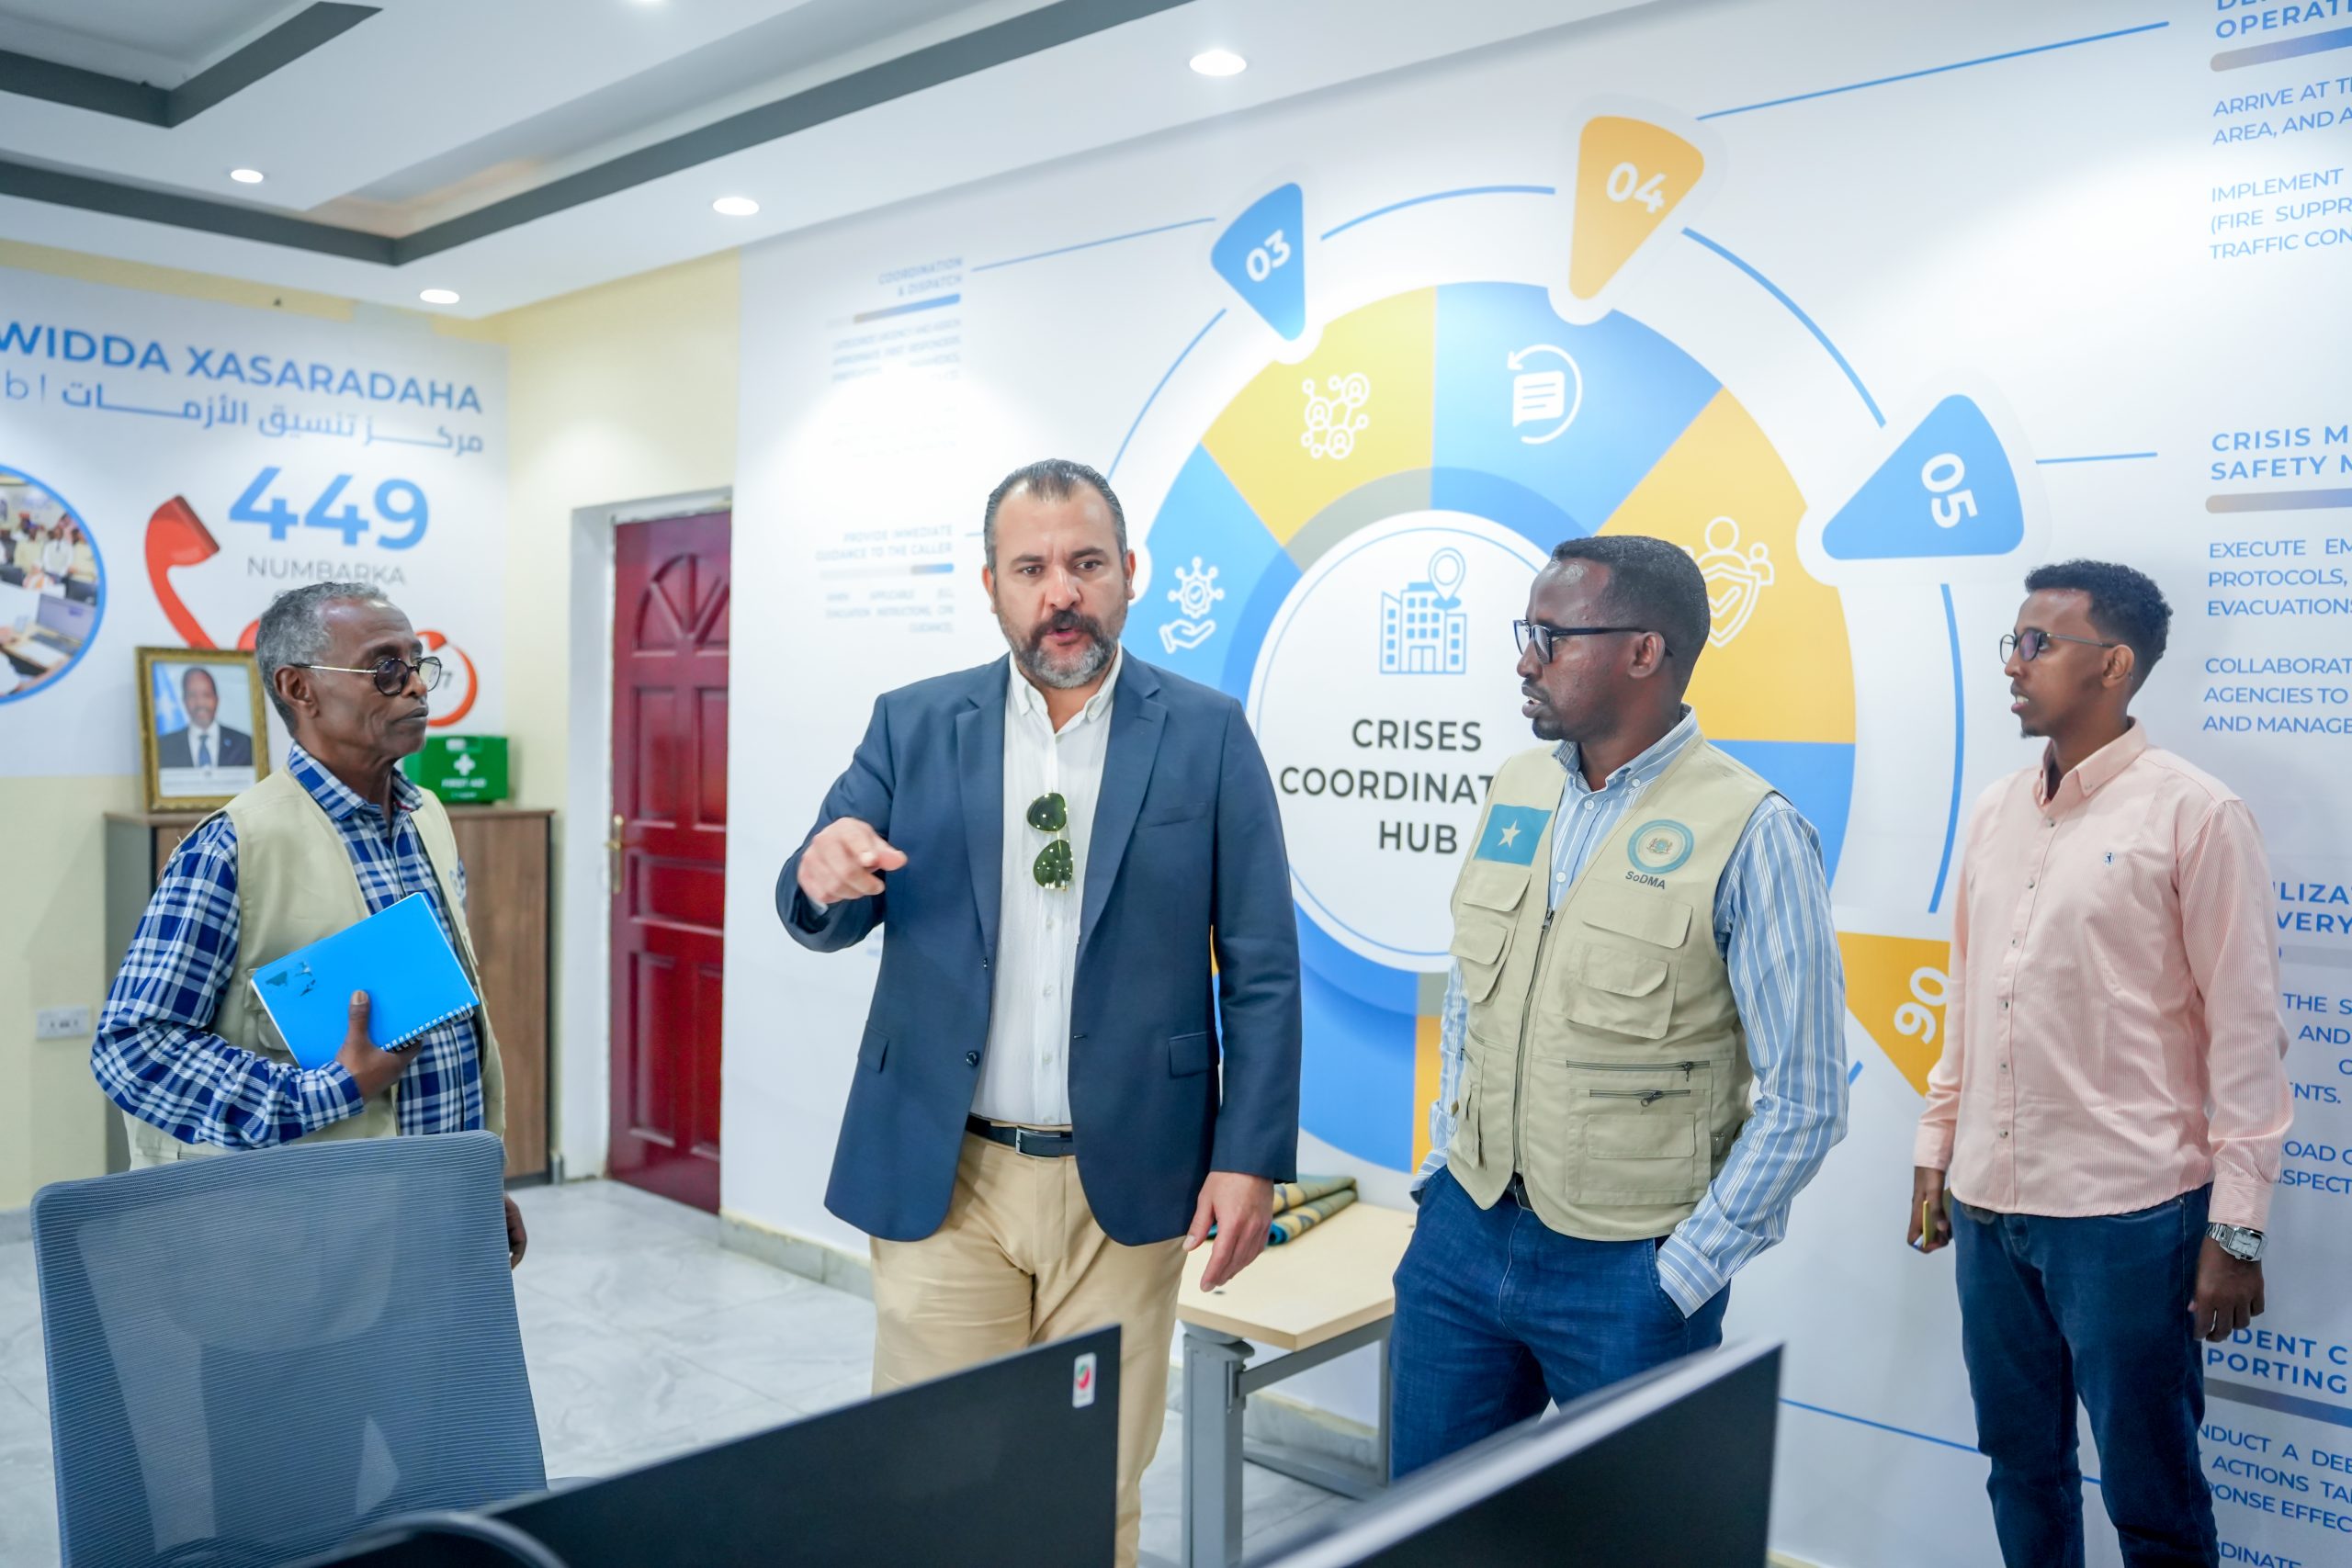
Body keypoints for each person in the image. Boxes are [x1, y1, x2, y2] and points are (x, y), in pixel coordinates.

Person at [778, 458, 1301, 1566]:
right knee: (934, 1487)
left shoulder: (1206, 733)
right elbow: (825, 896)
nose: (1060, 592)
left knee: (1088, 1491)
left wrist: (1249, 1156)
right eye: (1030, 569)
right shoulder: (914, 725)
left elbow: (1260, 966)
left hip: (1130, 1177)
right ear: (991, 586)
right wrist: (820, 875)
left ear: (1129, 574)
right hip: (945, 1173)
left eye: (1085, 563)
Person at [1392, 535, 1847, 1474]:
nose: (1526, 661)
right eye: (1525, 634)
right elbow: (1474, 998)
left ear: (1644, 652)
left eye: (1551, 637)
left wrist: (1680, 1273)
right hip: (1464, 1237)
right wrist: (1442, 1175)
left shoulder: (1752, 829)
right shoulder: (1518, 786)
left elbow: (1806, 1096)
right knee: (1426, 1527)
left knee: (1632, 1535)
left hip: (1626, 1273)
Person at [1910, 560, 2290, 1568]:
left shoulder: (2196, 814)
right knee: (2019, 1469)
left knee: (2152, 1495)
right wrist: (1935, 1151)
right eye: (2013, 640)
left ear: (2114, 666)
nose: (2013, 663)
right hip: (1990, 1209)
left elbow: (2246, 1036)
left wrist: (2237, 1231)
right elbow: (1968, 998)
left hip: (2128, 1220)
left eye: (2038, 643)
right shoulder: (1995, 810)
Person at [93, 581, 526, 1267]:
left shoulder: (428, 819)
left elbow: (447, 1031)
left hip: (445, 1208)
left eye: (418, 663)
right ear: (300, 688)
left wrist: (477, 1181)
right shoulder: (234, 845)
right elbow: (133, 1048)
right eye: (386, 667)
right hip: (308, 1239)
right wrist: (328, 1090)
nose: (417, 686)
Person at [155, 665, 256, 770]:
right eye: (192, 695)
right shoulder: (164, 746)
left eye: (206, 695)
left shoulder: (244, 744)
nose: (200, 703)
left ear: (216, 699)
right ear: (184, 700)